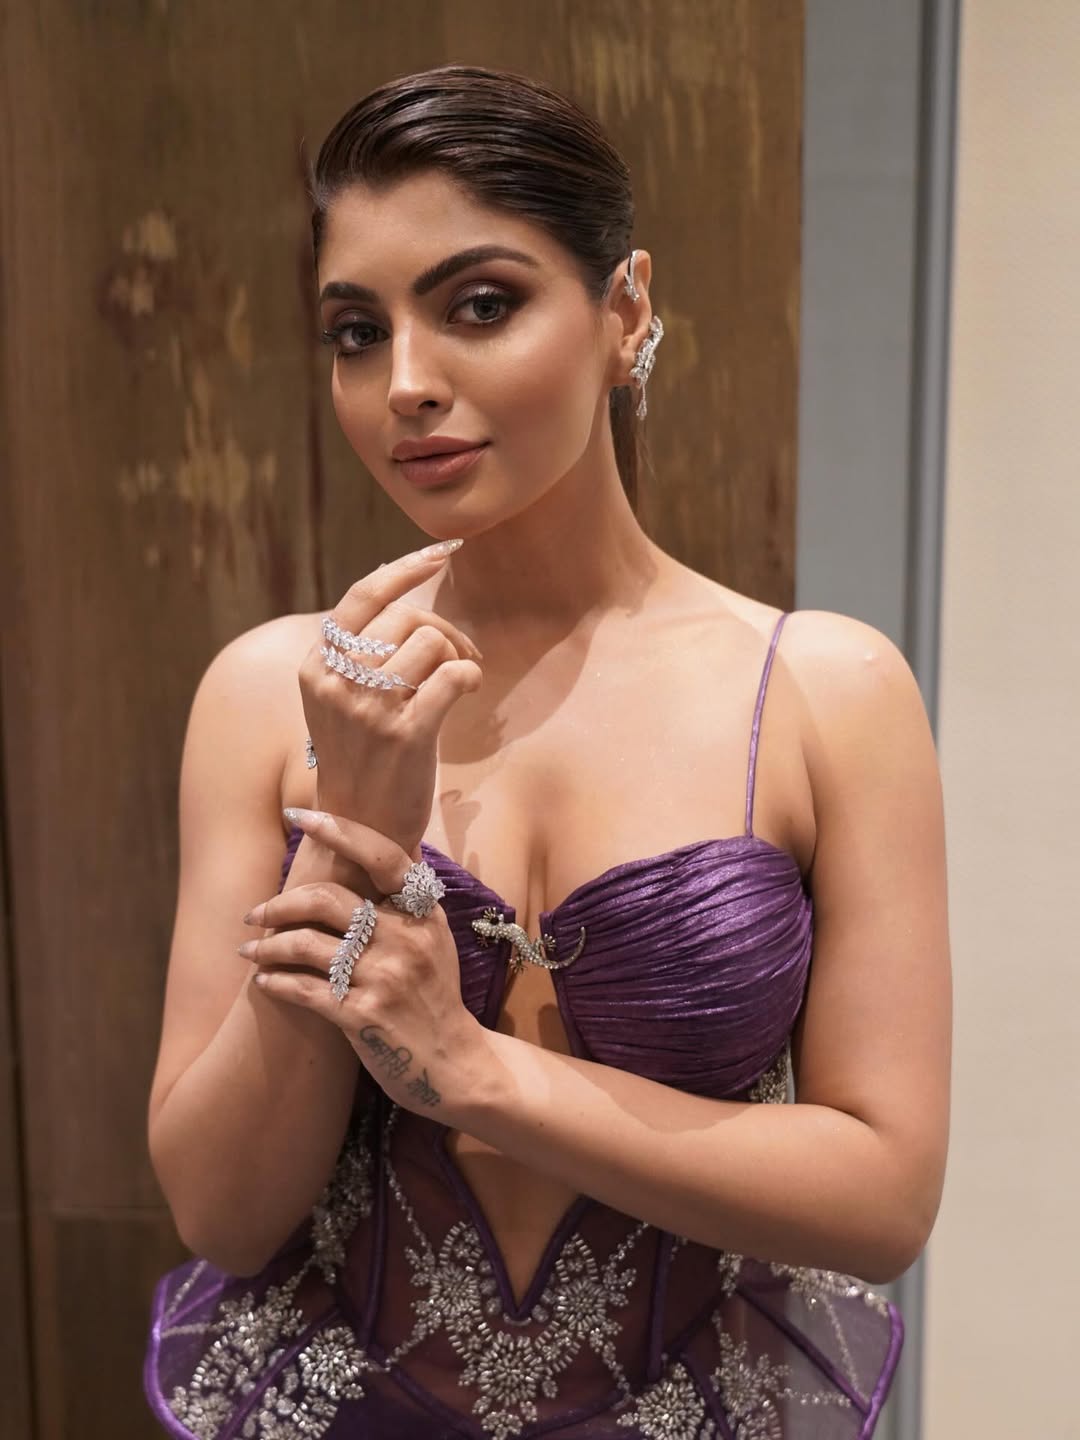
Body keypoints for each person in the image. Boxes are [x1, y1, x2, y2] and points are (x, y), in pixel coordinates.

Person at [144, 63, 950, 1440]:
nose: (406, 384)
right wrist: (356, 842)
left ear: (624, 309)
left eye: (479, 304)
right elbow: (222, 1211)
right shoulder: (272, 695)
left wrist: (474, 1072)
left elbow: (882, 1200)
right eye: (357, 331)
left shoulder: (827, 689)